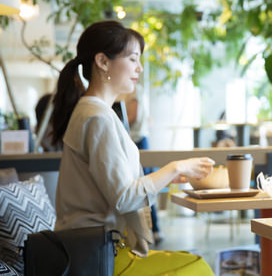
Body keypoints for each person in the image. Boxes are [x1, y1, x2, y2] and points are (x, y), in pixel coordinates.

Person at [51, 20, 215, 275]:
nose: (139, 68)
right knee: (197, 268)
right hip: (97, 257)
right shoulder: (96, 117)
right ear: (103, 62)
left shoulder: (95, 111)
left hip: (95, 251)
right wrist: (174, 168)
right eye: (132, 59)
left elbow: (117, 190)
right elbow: (124, 198)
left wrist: (169, 176)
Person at [124, 84, 163, 244]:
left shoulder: (134, 91)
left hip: (137, 141)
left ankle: (153, 229)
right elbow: (149, 120)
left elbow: (132, 117)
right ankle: (153, 229)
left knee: (144, 185)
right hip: (141, 140)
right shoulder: (137, 91)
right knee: (144, 184)